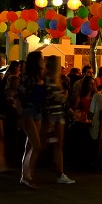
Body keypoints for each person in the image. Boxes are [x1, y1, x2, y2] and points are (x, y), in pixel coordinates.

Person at [16, 51, 46, 189]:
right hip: (28, 112)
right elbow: (18, 97)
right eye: (41, 59)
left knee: (29, 146)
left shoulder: (42, 77)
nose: (43, 61)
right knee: (36, 145)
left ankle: (26, 173)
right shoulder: (27, 78)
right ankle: (26, 176)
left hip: (38, 113)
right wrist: (19, 115)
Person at [44, 55, 74, 184]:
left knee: (53, 145)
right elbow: (50, 98)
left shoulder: (53, 80)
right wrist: (63, 97)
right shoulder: (51, 81)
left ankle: (59, 172)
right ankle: (59, 173)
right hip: (54, 115)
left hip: (56, 115)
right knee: (47, 145)